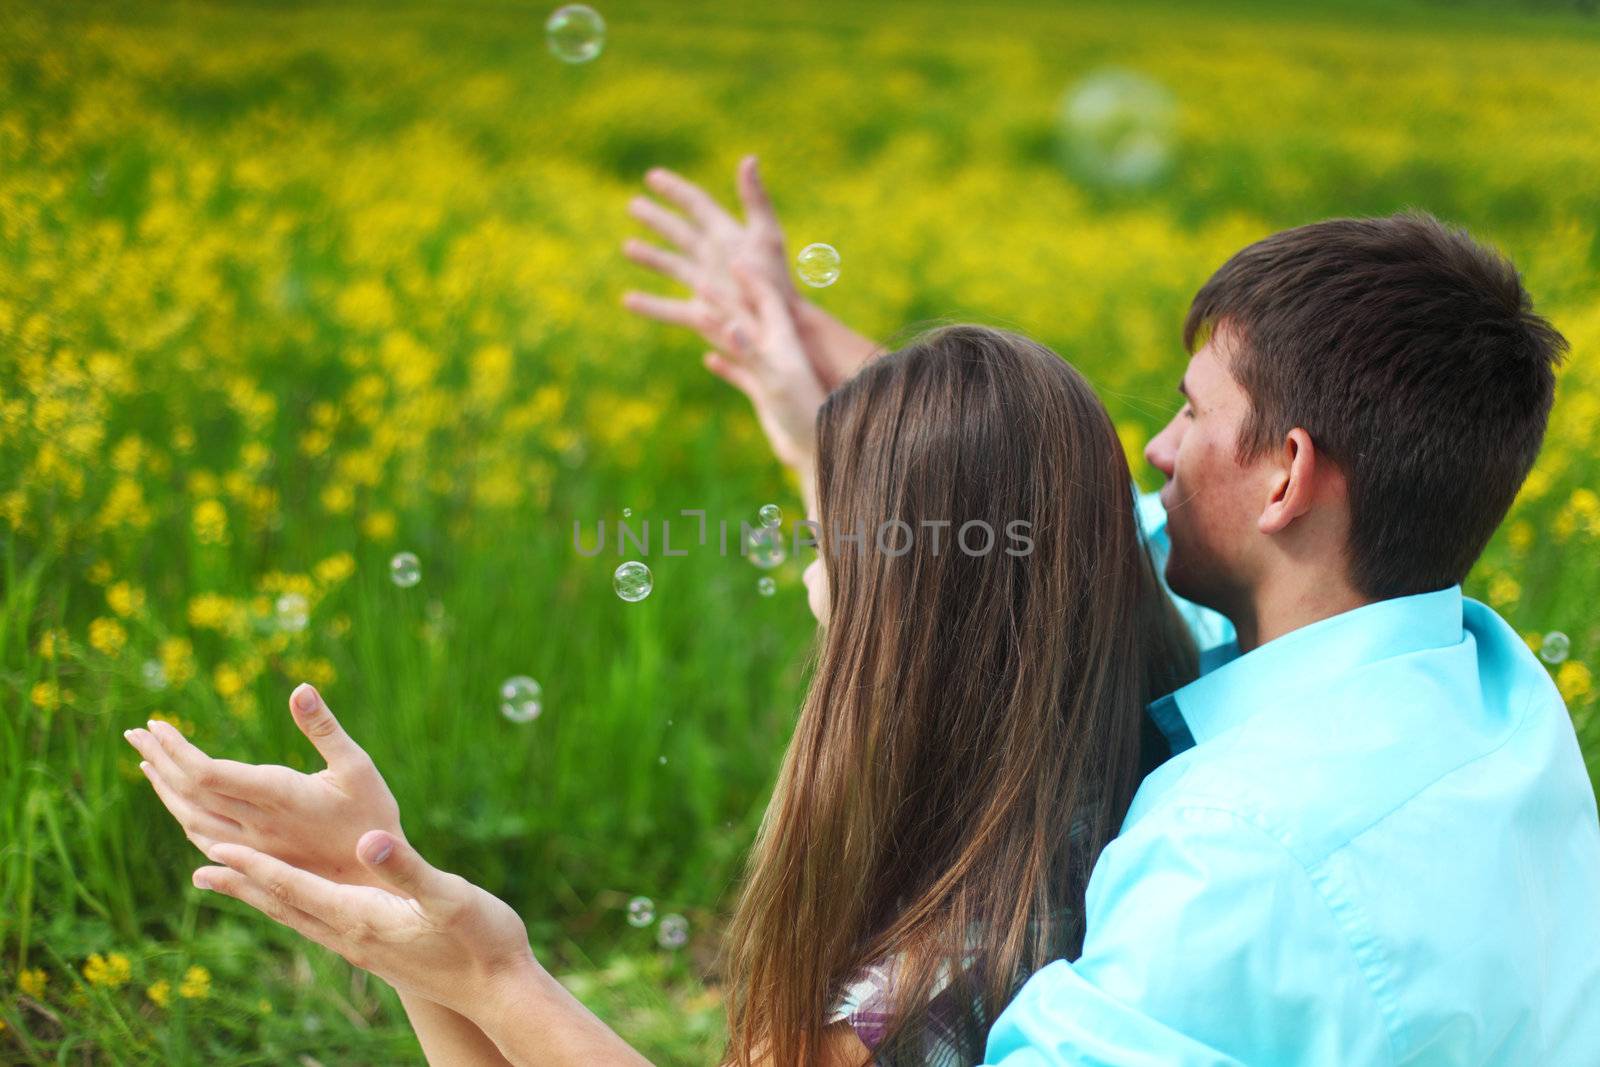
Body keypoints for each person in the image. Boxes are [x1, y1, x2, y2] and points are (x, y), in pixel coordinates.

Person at [129, 156, 1600, 1065]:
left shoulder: (1230, 874)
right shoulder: (1456, 670)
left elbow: (1007, 555)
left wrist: (494, 975)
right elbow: (1021, 543)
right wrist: (819, 394)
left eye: (1188, 409)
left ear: (1286, 474)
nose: (1153, 451)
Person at [128, 315, 1200, 1064]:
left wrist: (499, 975)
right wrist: (405, 922)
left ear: (914, 601)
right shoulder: (1075, 792)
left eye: (830, 540)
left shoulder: (931, 975)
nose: (809, 572)